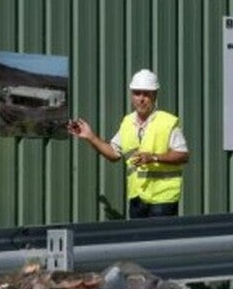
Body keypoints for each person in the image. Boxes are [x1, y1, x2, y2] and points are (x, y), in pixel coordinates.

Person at [69, 69, 188, 219]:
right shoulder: (127, 123)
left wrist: (154, 157)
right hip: (137, 199)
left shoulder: (167, 122)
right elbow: (113, 154)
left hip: (163, 199)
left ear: (155, 95)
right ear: (132, 96)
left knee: (158, 235)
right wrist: (90, 136)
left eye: (146, 94)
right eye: (137, 93)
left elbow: (183, 155)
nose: (141, 98)